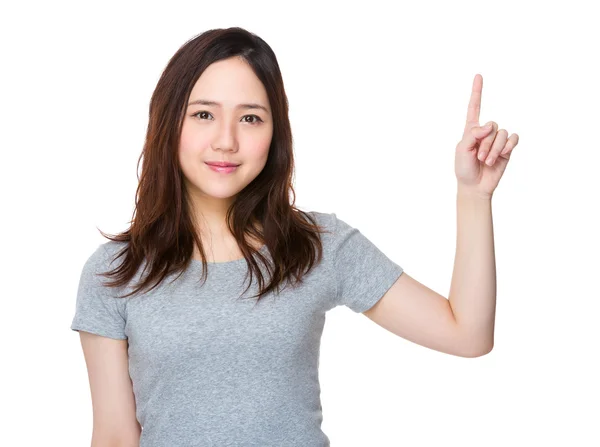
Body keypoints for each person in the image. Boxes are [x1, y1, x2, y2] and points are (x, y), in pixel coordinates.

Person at [70, 27, 518, 447]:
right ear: (168, 123)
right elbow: (113, 437)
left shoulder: (319, 246)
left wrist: (473, 196)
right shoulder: (114, 272)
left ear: (274, 132)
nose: (226, 140)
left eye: (250, 118)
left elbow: (468, 335)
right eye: (203, 114)